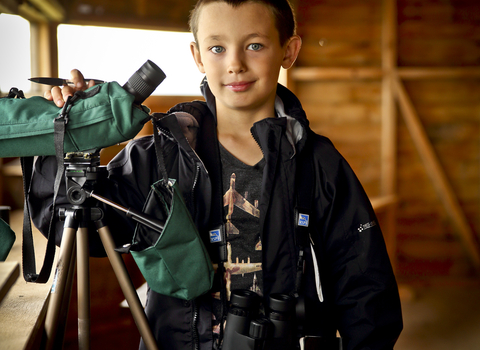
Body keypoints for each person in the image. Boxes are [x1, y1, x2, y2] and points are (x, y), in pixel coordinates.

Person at [30, 0, 403, 349]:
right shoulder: (158, 157)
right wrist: (65, 137)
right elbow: (67, 221)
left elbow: (365, 286)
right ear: (197, 55)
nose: (235, 64)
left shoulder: (318, 162)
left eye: (255, 46)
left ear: (288, 51)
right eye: (217, 48)